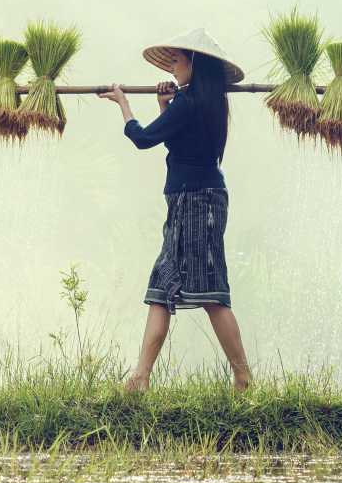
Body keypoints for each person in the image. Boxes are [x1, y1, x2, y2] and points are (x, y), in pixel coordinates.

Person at [97, 28, 252, 393]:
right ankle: (140, 377)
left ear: (194, 63)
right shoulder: (204, 103)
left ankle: (242, 376)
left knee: (211, 292)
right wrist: (166, 106)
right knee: (163, 287)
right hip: (194, 199)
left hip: (195, 202)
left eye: (177, 61)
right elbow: (181, 141)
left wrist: (123, 103)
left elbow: (143, 138)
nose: (172, 69)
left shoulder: (190, 102)